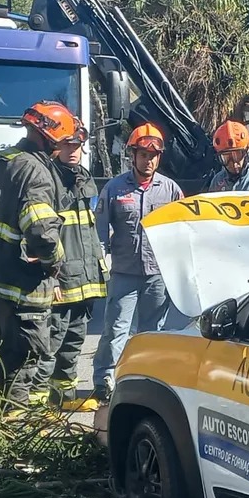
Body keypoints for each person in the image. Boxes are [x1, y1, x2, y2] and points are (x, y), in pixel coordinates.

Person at [0, 100, 70, 409]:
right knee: (19, 371)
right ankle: (13, 438)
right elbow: (41, 232)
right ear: (50, 137)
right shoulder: (36, 173)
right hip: (19, 291)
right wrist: (55, 263)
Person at [92, 123, 184, 402]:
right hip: (124, 273)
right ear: (133, 155)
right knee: (116, 329)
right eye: (143, 154)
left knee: (152, 333)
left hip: (158, 275)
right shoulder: (115, 189)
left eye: (154, 155)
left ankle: (146, 382)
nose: (149, 160)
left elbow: (182, 230)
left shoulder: (170, 190)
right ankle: (105, 381)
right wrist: (100, 263)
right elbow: (99, 231)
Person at [30, 120, 108, 413]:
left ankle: (64, 398)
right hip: (61, 280)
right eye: (67, 145)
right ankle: (37, 406)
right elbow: (41, 235)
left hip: (84, 279)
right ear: (56, 146)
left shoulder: (84, 179)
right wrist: (51, 279)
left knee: (73, 343)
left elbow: (88, 232)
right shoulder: (48, 181)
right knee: (49, 345)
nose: (73, 151)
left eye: (76, 146)